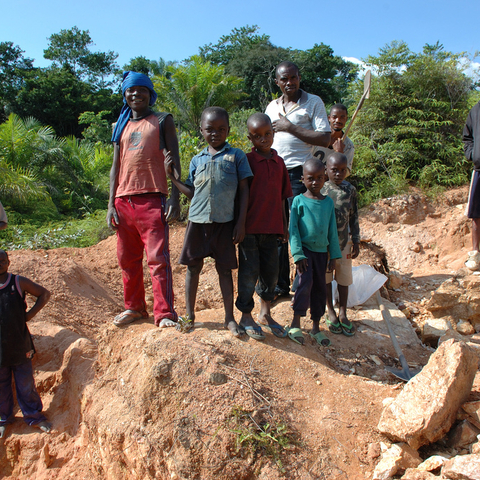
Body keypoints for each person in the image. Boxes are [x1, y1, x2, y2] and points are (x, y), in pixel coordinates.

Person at [165, 107, 252, 337]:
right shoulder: (197, 160)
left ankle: (229, 319)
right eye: (210, 129)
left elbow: (244, 191)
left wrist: (240, 222)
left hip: (225, 223)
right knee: (193, 268)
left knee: (224, 270)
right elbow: (192, 192)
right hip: (197, 221)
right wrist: (172, 177)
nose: (215, 133)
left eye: (221, 129)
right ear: (201, 130)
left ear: (228, 130)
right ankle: (190, 315)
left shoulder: (236, 156)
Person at [107, 71, 181, 328]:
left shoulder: (162, 120)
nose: (136, 94)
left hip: (152, 199)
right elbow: (115, 167)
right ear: (125, 94)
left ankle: (164, 313)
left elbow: (175, 160)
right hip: (123, 201)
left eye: (142, 90)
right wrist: (110, 205)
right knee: (127, 260)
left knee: (158, 260)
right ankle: (134, 307)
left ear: (150, 94)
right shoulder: (120, 125)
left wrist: (175, 198)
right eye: (131, 90)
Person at [265, 61, 331, 302]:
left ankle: (303, 282)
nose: (289, 82)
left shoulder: (313, 102)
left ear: (299, 78)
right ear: (277, 82)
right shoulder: (271, 106)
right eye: (284, 79)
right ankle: (281, 285)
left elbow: (325, 138)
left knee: (300, 228)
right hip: (274, 173)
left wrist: (290, 127)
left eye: (293, 78)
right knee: (278, 229)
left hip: (298, 174)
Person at [235, 113, 292, 340]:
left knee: (271, 273)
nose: (264, 139)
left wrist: (284, 226)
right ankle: (246, 315)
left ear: (273, 133)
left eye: (267, 134)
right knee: (249, 273)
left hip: (273, 228)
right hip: (250, 229)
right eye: (257, 136)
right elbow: (241, 194)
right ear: (250, 138)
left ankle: (265, 313)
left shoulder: (280, 163)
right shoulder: (246, 161)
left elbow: (282, 198)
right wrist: (239, 225)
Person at [287, 158, 342, 347]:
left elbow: (332, 231)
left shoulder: (327, 203)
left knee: (320, 288)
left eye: (320, 178)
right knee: (304, 284)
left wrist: (333, 255)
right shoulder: (298, 201)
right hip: (306, 253)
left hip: (322, 254)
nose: (315, 182)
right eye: (311, 178)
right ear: (302, 179)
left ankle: (316, 327)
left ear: (325, 178)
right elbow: (293, 229)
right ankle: (295, 323)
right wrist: (298, 254)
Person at [0, 249, 51, 438]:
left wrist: (28, 316)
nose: (0, 264)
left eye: (3, 260)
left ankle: (34, 417)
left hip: (21, 344)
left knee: (25, 383)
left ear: (8, 262)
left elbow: (44, 294)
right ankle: (3, 419)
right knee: (1, 385)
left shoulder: (18, 282)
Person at [322, 153, 360, 336]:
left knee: (344, 278)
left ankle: (343, 312)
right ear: (326, 170)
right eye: (334, 170)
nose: (338, 174)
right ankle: (330, 310)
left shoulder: (350, 190)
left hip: (344, 242)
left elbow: (354, 217)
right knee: (326, 278)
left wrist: (357, 240)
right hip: (324, 244)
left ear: (347, 170)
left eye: (342, 170)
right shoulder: (321, 188)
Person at [463, 100, 480, 271]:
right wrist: (473, 155)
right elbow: (467, 137)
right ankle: (475, 255)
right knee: (476, 215)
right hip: (479, 169)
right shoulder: (475, 110)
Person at [314, 104, 355, 176]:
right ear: (329, 118)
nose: (338, 120)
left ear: (346, 119)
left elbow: (345, 172)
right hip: (310, 179)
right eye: (334, 117)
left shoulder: (348, 145)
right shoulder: (316, 136)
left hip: (329, 183)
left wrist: (339, 154)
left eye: (342, 118)